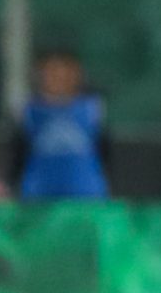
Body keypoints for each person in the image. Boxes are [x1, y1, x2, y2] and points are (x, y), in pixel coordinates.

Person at [12, 48, 108, 199]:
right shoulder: (28, 111)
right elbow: (18, 155)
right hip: (39, 197)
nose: (59, 78)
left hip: (86, 196)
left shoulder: (92, 109)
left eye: (65, 72)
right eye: (52, 72)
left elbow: (105, 152)